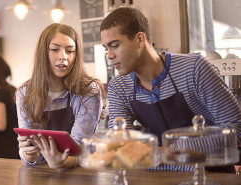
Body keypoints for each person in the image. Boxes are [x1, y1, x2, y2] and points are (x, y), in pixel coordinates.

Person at [100, 7, 241, 171]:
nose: (109, 55)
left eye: (115, 45)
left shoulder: (194, 68)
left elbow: (235, 129)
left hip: (212, 174)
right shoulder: (119, 87)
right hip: (159, 176)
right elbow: (120, 143)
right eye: (106, 48)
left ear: (139, 39)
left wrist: (168, 151)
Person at [16, 23, 105, 168]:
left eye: (70, 51)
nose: (63, 57)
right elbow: (27, 156)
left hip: (78, 174)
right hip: (40, 176)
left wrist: (60, 163)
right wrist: (29, 154)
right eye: (54, 49)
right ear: (43, 53)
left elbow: (80, 150)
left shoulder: (89, 91)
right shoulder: (24, 93)